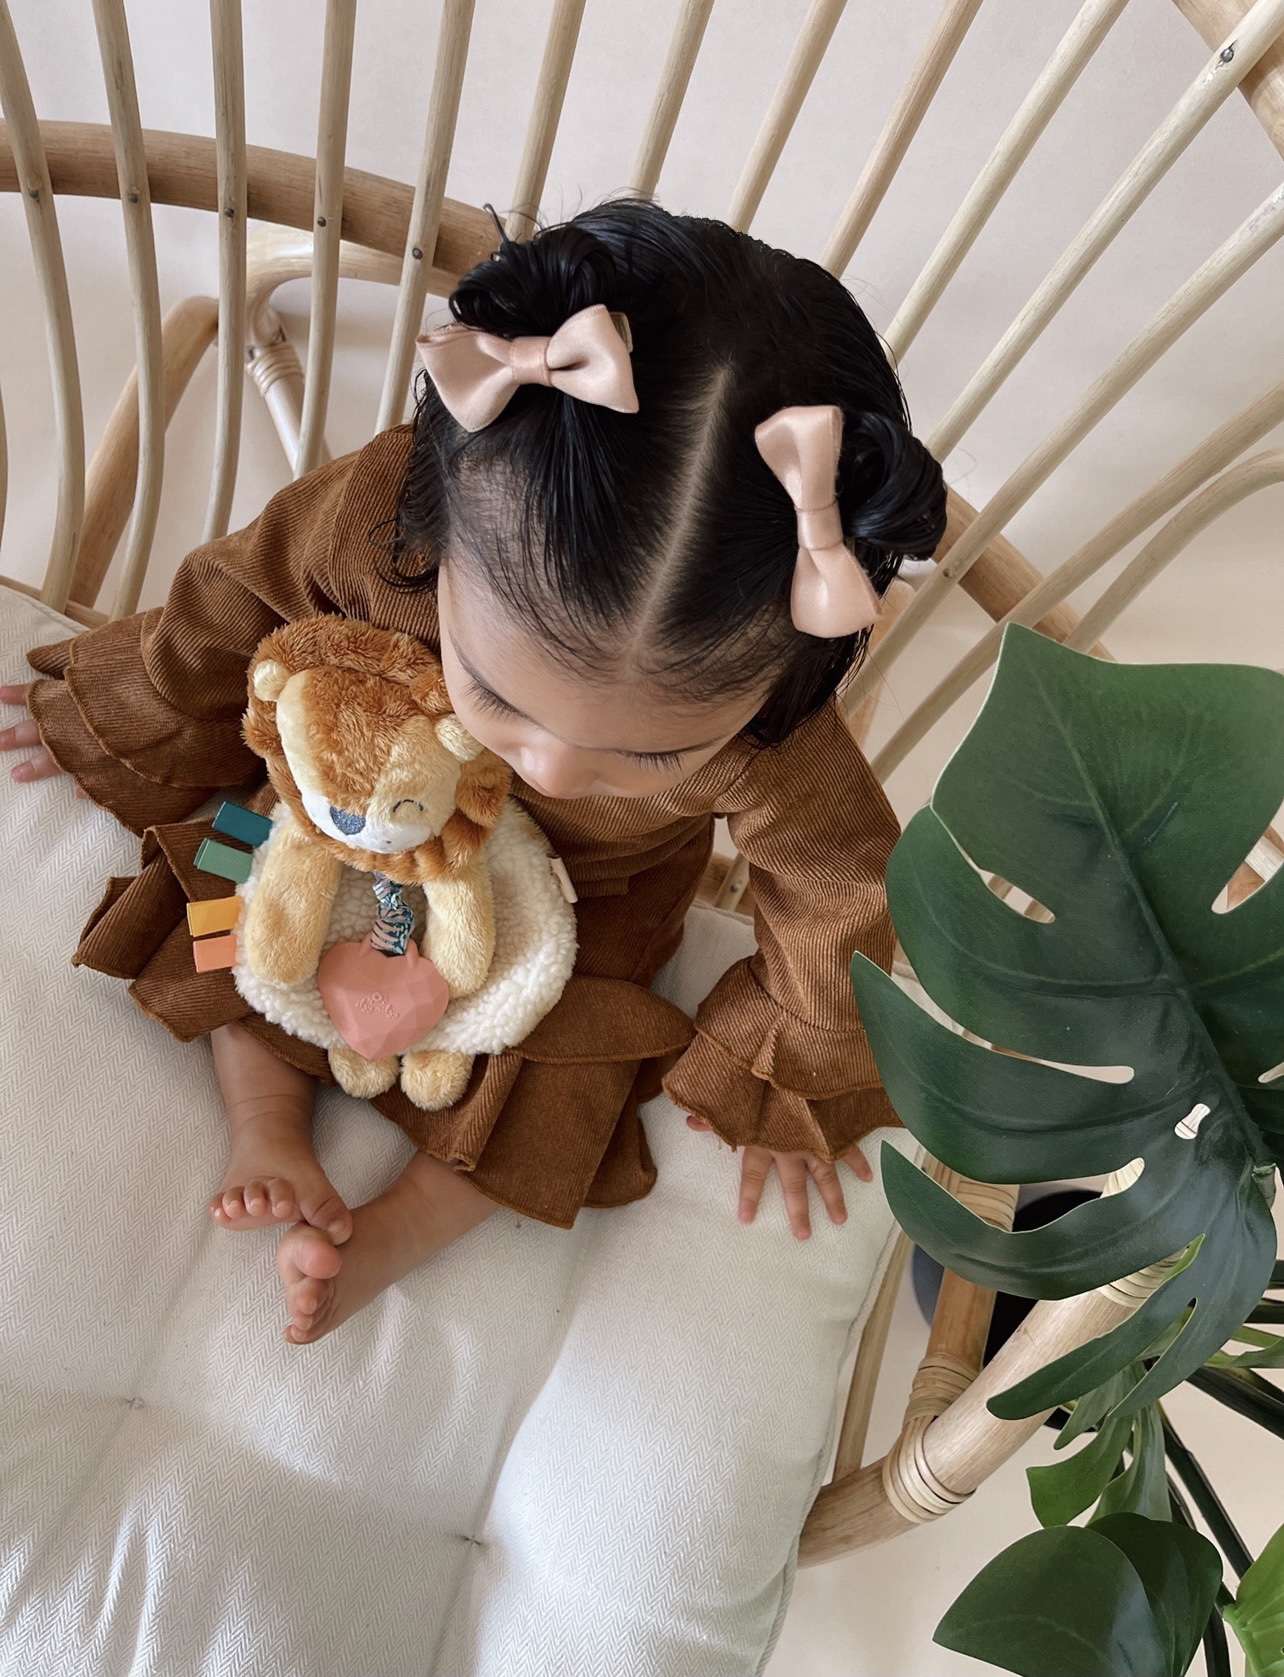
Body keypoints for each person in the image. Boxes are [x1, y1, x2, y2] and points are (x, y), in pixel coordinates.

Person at [1, 199, 946, 1345]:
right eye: (499, 697)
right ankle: (267, 1118)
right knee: (228, 885)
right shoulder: (369, 526)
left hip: (590, 895)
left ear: (779, 689)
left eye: (650, 753)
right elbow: (231, 596)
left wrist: (790, 1070)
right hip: (354, 808)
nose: (544, 761)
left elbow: (844, 889)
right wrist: (128, 710)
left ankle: (403, 1226)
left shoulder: (780, 745)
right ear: (432, 537)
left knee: (581, 1055)